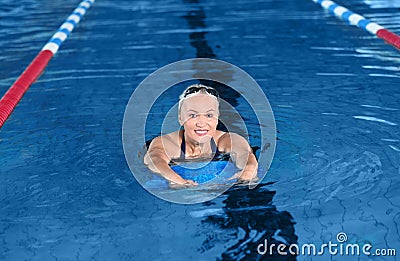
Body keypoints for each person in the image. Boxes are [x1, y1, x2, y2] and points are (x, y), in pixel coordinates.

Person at [144, 84, 258, 188]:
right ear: (180, 118)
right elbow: (154, 160)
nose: (201, 123)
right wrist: (178, 181)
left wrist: (247, 172)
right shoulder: (167, 142)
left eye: (209, 115)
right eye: (193, 115)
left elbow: (246, 156)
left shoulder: (228, 139)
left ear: (217, 117)